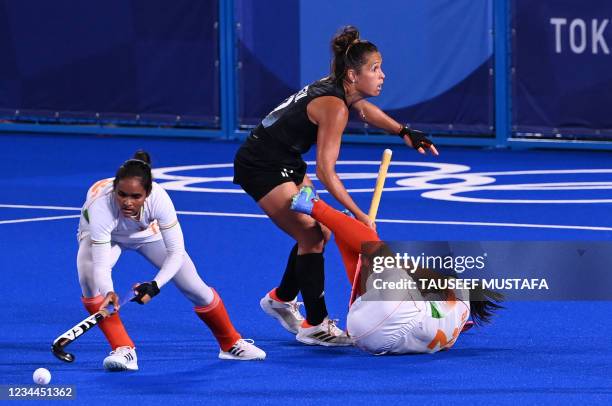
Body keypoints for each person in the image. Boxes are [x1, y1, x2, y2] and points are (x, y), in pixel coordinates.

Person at [233, 25, 438, 346]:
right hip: (261, 165)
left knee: (321, 232)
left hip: (285, 159)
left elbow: (365, 110)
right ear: (353, 75)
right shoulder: (334, 107)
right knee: (312, 234)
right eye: (375, 69)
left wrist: (405, 132)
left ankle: (281, 298)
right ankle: (314, 325)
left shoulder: (341, 89)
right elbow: (327, 172)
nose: (382, 75)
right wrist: (359, 214)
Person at [77, 151, 266, 371]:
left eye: (135, 197)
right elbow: (101, 264)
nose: (127, 202)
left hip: (147, 234)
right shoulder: (101, 207)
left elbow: (176, 252)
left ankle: (230, 343)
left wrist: (155, 285)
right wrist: (109, 291)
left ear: (147, 193)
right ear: (115, 191)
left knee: (195, 287)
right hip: (103, 235)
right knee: (90, 281)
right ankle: (123, 350)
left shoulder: (160, 199)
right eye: (122, 194)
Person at [290, 185, 503, 355]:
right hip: (365, 337)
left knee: (380, 256)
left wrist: (371, 243)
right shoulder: (457, 321)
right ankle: (343, 228)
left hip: (396, 316)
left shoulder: (454, 289)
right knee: (376, 277)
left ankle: (315, 206)